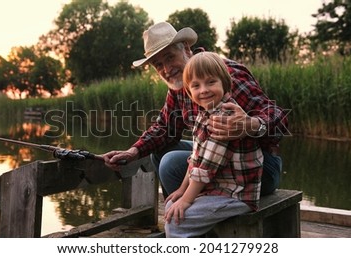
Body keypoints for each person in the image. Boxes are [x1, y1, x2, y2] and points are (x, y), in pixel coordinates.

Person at [103, 22, 288, 201]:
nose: (166, 69)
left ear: (186, 48)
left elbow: (278, 116)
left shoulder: (224, 73)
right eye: (158, 65)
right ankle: (180, 213)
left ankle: (188, 218)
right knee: (159, 152)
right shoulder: (179, 87)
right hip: (221, 162)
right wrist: (132, 152)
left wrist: (252, 125)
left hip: (259, 169)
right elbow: (164, 128)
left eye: (169, 57)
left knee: (171, 163)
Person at [163, 51, 263, 237]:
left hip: (237, 193)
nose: (204, 90)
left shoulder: (224, 117)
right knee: (171, 205)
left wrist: (186, 200)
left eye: (211, 82)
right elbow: (195, 158)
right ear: (189, 92)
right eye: (196, 86)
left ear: (225, 84)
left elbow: (206, 169)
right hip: (218, 189)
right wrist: (181, 191)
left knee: (176, 222)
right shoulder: (204, 113)